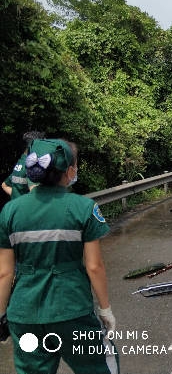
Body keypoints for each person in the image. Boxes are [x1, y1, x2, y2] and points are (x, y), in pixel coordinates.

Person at [0, 138, 118, 374]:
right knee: (97, 367)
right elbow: (94, 266)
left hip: (24, 314)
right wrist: (105, 309)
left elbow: (4, 272)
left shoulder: (10, 211)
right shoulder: (83, 208)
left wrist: (1, 314)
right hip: (71, 310)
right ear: (69, 170)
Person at [2, 131, 45, 200]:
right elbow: (35, 195)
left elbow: (5, 185)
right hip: (28, 209)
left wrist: (18, 198)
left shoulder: (20, 162)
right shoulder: (32, 165)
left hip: (17, 207)